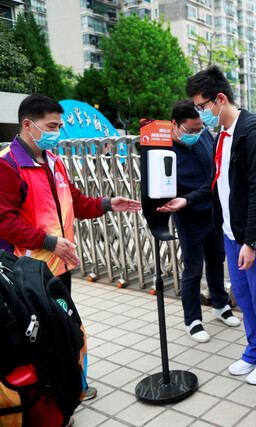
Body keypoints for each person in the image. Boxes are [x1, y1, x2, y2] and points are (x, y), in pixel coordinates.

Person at [0, 93, 142, 401]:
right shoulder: (8, 167)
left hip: (59, 268)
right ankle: (55, 397)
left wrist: (107, 203)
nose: (56, 133)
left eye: (59, 126)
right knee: (45, 335)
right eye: (51, 126)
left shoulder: (53, 161)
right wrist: (50, 242)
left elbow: (73, 201)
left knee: (66, 328)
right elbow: (4, 222)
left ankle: (73, 386)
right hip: (30, 274)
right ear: (28, 124)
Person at [158, 66, 256, 385]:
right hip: (233, 232)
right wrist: (186, 200)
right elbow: (219, 184)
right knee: (243, 295)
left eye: (202, 107)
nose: (201, 114)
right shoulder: (222, 136)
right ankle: (255, 350)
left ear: (220, 99)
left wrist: (252, 241)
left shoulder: (254, 135)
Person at [168, 99, 240, 344]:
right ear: (174, 125)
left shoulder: (204, 136)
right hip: (188, 215)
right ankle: (193, 320)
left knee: (217, 260)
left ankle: (220, 304)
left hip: (214, 211)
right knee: (192, 268)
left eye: (200, 129)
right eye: (190, 130)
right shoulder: (162, 149)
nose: (196, 134)